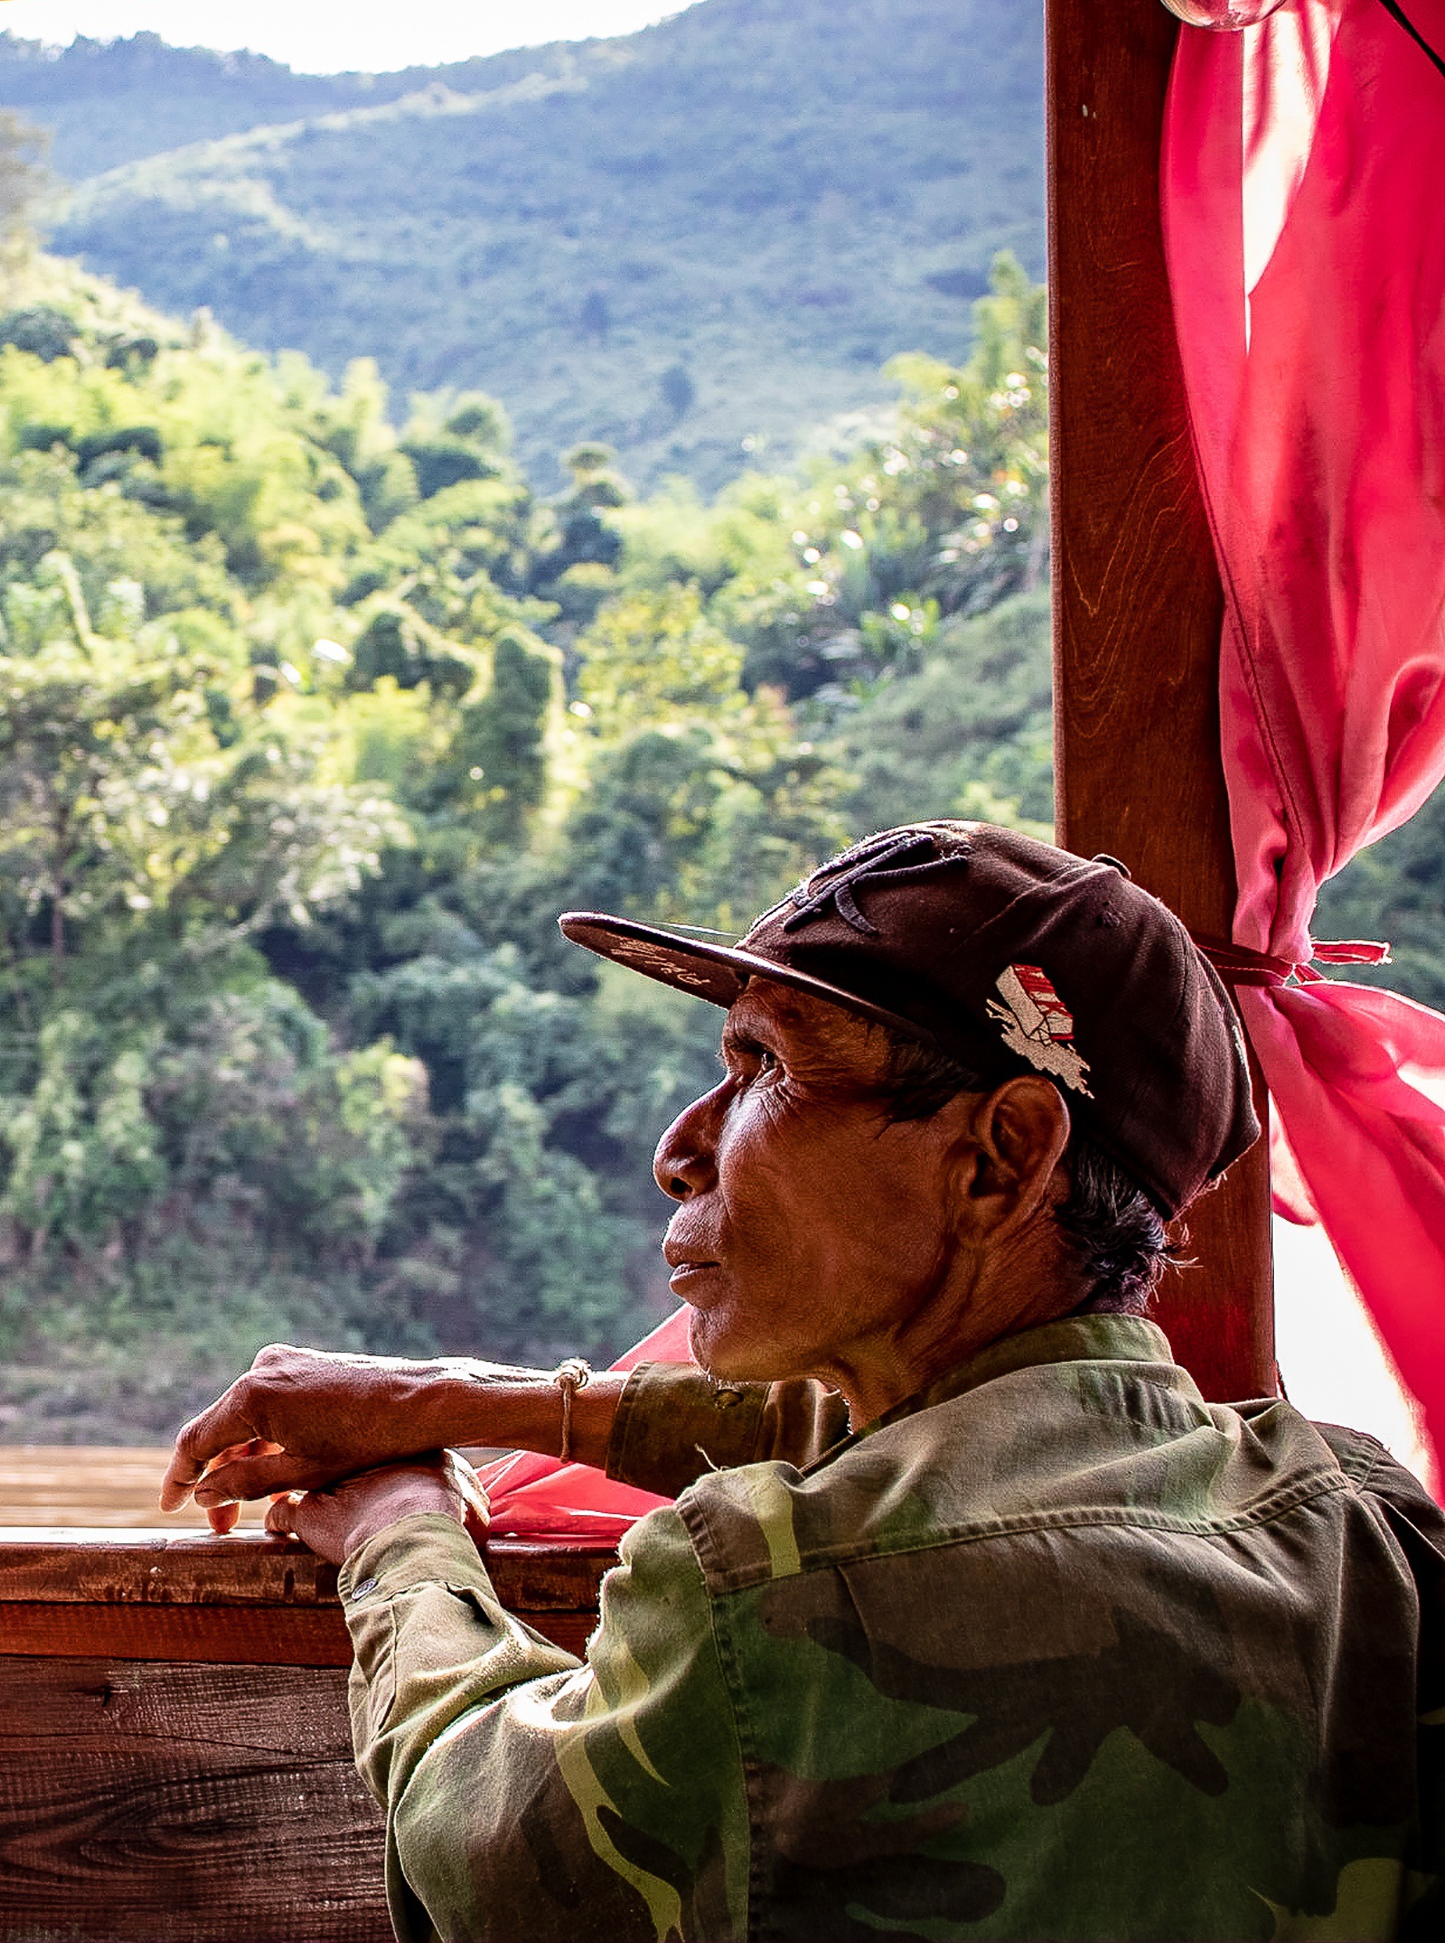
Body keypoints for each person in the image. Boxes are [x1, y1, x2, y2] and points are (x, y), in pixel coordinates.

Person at [163, 821, 1445, 1942]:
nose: (682, 1148)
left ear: (1000, 1156)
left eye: (769, 1067)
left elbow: (485, 1855)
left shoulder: (768, 1588)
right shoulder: (1365, 1519)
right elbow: (938, 1442)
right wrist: (466, 1402)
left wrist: (402, 1533)